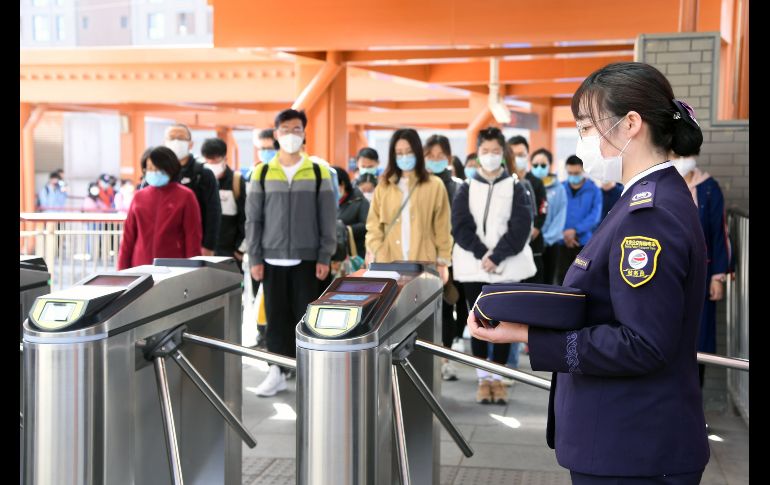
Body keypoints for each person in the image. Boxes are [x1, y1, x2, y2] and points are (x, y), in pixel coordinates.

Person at [469, 61, 710, 484]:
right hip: (632, 439)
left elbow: (642, 344)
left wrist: (528, 337)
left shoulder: (648, 216)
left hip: (632, 447)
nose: (581, 140)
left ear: (631, 123)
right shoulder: (648, 199)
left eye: (586, 126)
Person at [245, 108, 337, 396]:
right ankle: (276, 371)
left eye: (297, 129)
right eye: (285, 129)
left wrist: (325, 255)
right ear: (276, 134)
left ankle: (309, 373)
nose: (291, 135)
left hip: (307, 259)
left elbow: (328, 218)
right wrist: (255, 258)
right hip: (271, 259)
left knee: (306, 317)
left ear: (304, 133)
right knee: (275, 317)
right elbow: (253, 220)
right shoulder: (261, 173)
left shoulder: (319, 172)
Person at [452, 126, 535, 404]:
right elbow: (460, 226)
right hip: (473, 267)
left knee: (503, 324)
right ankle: (482, 380)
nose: (490, 157)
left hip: (507, 268)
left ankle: (498, 379)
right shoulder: (465, 187)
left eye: (495, 152)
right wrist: (482, 254)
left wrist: (496, 256)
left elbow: (521, 227)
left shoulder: (516, 186)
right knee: (478, 323)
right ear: (477, 153)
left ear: (503, 154)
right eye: (485, 152)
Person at [364, 128, 452, 285]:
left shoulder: (434, 185)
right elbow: (373, 225)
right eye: (399, 153)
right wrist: (378, 249)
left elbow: (442, 228)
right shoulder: (384, 186)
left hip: (424, 264)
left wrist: (443, 262)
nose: (404, 157)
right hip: (388, 265)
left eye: (409, 151)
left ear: (417, 152)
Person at [673, 155, 731, 389]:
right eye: (676, 154)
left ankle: (695, 395)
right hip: (671, 273)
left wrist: (718, 276)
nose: (681, 160)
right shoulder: (665, 185)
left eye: (685, 155)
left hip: (702, 273)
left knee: (699, 338)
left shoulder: (708, 188)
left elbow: (719, 233)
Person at [423, 134, 466, 381]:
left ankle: (446, 358)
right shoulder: (418, 185)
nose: (436, 160)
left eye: (441, 156)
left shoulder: (459, 187)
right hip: (422, 258)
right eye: (431, 156)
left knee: (448, 307)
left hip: (451, 258)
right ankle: (426, 359)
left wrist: (446, 256)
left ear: (449, 158)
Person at [118, 146, 202, 270]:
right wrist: (121, 270)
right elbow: (128, 238)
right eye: (150, 168)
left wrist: (195, 271)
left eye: (158, 168)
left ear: (170, 168)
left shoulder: (186, 196)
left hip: (174, 268)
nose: (153, 171)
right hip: (140, 267)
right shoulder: (139, 196)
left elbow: (192, 238)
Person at [163, 123, 222, 256]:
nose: (176, 142)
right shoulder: (158, 174)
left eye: (181, 138)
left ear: (190, 144)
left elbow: (214, 213)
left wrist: (208, 246)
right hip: (164, 245)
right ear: (165, 142)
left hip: (195, 245)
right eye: (172, 138)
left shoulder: (203, 174)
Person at [201, 138, 247, 271]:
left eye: (215, 160)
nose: (212, 164)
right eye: (208, 161)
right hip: (204, 253)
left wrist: (239, 250)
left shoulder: (236, 182)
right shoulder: (201, 181)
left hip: (229, 254)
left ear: (224, 159)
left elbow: (246, 218)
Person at [556, 155, 602, 285]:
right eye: (570, 173)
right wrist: (564, 233)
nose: (573, 176)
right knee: (561, 279)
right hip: (562, 241)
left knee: (582, 279)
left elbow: (595, 215)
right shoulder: (560, 188)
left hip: (583, 243)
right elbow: (555, 213)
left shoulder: (594, 190)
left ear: (583, 171)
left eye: (576, 173)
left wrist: (575, 231)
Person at [508, 136, 548, 284]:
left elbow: (543, 208)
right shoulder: (505, 180)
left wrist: (534, 231)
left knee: (535, 290)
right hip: (510, 246)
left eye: (521, 154)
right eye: (514, 154)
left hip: (533, 244)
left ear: (527, 155)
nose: (518, 158)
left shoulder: (536, 182)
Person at [530, 149, 567, 285]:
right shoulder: (526, 186)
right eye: (535, 165)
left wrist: (545, 239)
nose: (539, 168)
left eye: (543, 165)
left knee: (548, 282)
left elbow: (560, 217)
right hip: (530, 242)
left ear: (550, 166)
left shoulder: (559, 189)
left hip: (551, 244)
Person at [335, 167, 370, 262]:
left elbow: (366, 226)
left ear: (343, 184)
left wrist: (344, 229)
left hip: (355, 255)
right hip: (335, 255)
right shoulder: (328, 202)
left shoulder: (360, 201)